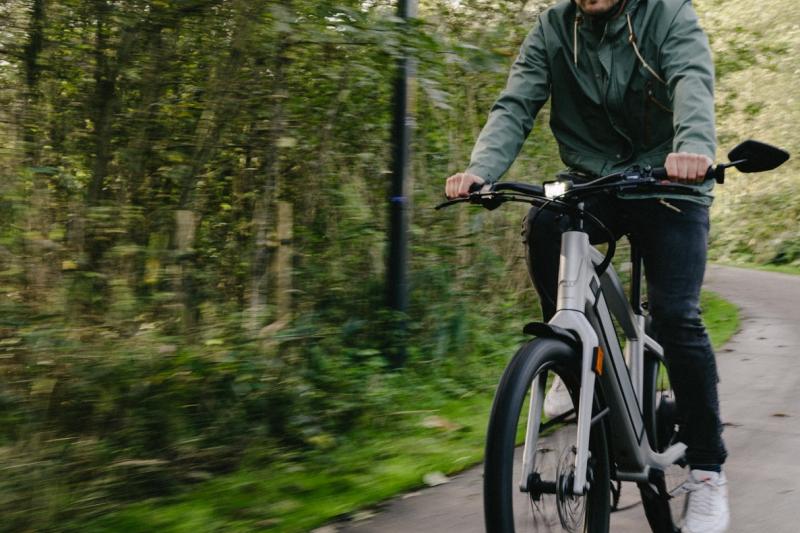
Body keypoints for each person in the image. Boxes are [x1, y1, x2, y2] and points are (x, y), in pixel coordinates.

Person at [444, 0, 729, 531]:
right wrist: (481, 169)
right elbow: (515, 104)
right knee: (545, 220)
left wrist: (691, 147)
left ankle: (709, 471)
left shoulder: (668, 15)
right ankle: (573, 354)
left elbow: (692, 79)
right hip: (593, 180)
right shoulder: (552, 29)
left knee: (674, 315)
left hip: (671, 184)